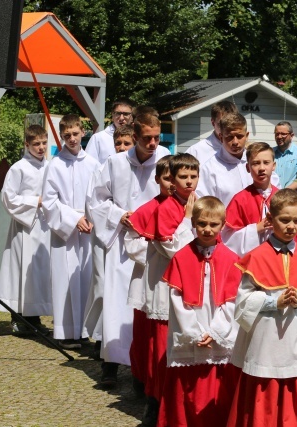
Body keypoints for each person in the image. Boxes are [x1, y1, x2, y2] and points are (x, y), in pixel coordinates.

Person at [227, 189, 297, 427]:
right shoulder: (255, 257)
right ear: (271, 220)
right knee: (264, 401)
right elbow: (242, 303)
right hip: (266, 343)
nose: (291, 226)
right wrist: (274, 302)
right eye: (284, 220)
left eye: (296, 220)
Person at [88, 113, 171, 387]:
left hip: (153, 245)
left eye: (156, 137)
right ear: (134, 136)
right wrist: (119, 216)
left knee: (146, 308)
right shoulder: (115, 162)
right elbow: (97, 199)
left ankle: (141, 374)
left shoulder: (165, 158)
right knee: (115, 304)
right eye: (146, 137)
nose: (152, 143)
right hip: (121, 242)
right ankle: (110, 364)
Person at [158, 196, 242, 427]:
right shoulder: (181, 257)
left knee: (219, 392)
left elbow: (232, 302)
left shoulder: (231, 259)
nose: (207, 229)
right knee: (186, 392)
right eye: (202, 223)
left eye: (213, 224)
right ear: (193, 223)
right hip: (189, 333)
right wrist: (194, 333)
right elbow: (176, 300)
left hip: (218, 334)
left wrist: (215, 332)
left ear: (223, 225)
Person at [135, 153, 199, 423]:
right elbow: (173, 247)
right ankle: (156, 404)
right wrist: (187, 220)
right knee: (161, 349)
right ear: (172, 180)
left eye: (193, 176)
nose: (189, 182)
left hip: (192, 286)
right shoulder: (166, 208)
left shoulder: (199, 202)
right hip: (165, 285)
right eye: (183, 177)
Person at [42, 114, 100, 349]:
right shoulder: (55, 164)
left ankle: (85, 330)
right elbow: (48, 201)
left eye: (75, 134)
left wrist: (92, 218)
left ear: (82, 132)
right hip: (65, 231)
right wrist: (74, 218)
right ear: (62, 136)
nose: (72, 139)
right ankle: (66, 332)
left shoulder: (93, 163)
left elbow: (99, 196)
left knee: (87, 277)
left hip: (88, 229)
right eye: (67, 136)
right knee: (65, 277)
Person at [83, 122, 138, 358]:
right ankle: (103, 339)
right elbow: (94, 201)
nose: (122, 147)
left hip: (139, 239)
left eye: (127, 143)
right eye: (118, 143)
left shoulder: (146, 167)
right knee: (105, 288)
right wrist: (118, 215)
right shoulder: (107, 166)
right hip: (109, 236)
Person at [0, 125, 52, 335]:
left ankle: (34, 318)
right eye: (36, 144)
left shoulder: (50, 167)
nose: (41, 147)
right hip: (24, 227)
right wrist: (34, 201)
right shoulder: (19, 168)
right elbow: (8, 198)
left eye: (44, 143)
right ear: (27, 144)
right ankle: (18, 317)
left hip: (44, 226)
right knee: (21, 270)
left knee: (39, 273)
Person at [125, 155, 173, 399]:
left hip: (175, 283)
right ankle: (141, 379)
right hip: (149, 279)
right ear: (157, 180)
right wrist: (156, 254)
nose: (172, 184)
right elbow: (131, 242)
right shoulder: (148, 209)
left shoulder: (188, 209)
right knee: (146, 336)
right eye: (167, 178)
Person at [196, 112, 279, 206]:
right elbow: (204, 206)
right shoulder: (209, 169)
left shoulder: (259, 162)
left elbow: (276, 194)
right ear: (221, 137)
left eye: (239, 136)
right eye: (229, 137)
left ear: (247, 135)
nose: (235, 142)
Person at [222, 142, 278, 256]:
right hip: (250, 261)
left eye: (266, 163)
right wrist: (256, 229)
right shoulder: (240, 200)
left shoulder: (283, 198)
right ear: (248, 167)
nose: (261, 168)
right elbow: (227, 239)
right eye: (256, 163)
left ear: (274, 166)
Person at [186, 100, 238, 164]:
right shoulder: (195, 152)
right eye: (221, 124)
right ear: (213, 123)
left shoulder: (245, 153)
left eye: (230, 124)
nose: (226, 129)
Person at [85, 98, 135, 164]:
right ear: (112, 114)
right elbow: (88, 165)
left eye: (126, 114)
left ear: (132, 116)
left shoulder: (138, 137)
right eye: (118, 113)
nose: (121, 118)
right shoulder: (98, 138)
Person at [273, 121, 297, 189]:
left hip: (292, 196)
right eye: (277, 134)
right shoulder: (270, 153)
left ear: (291, 136)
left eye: (283, 134)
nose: (279, 137)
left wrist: (284, 193)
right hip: (271, 195)